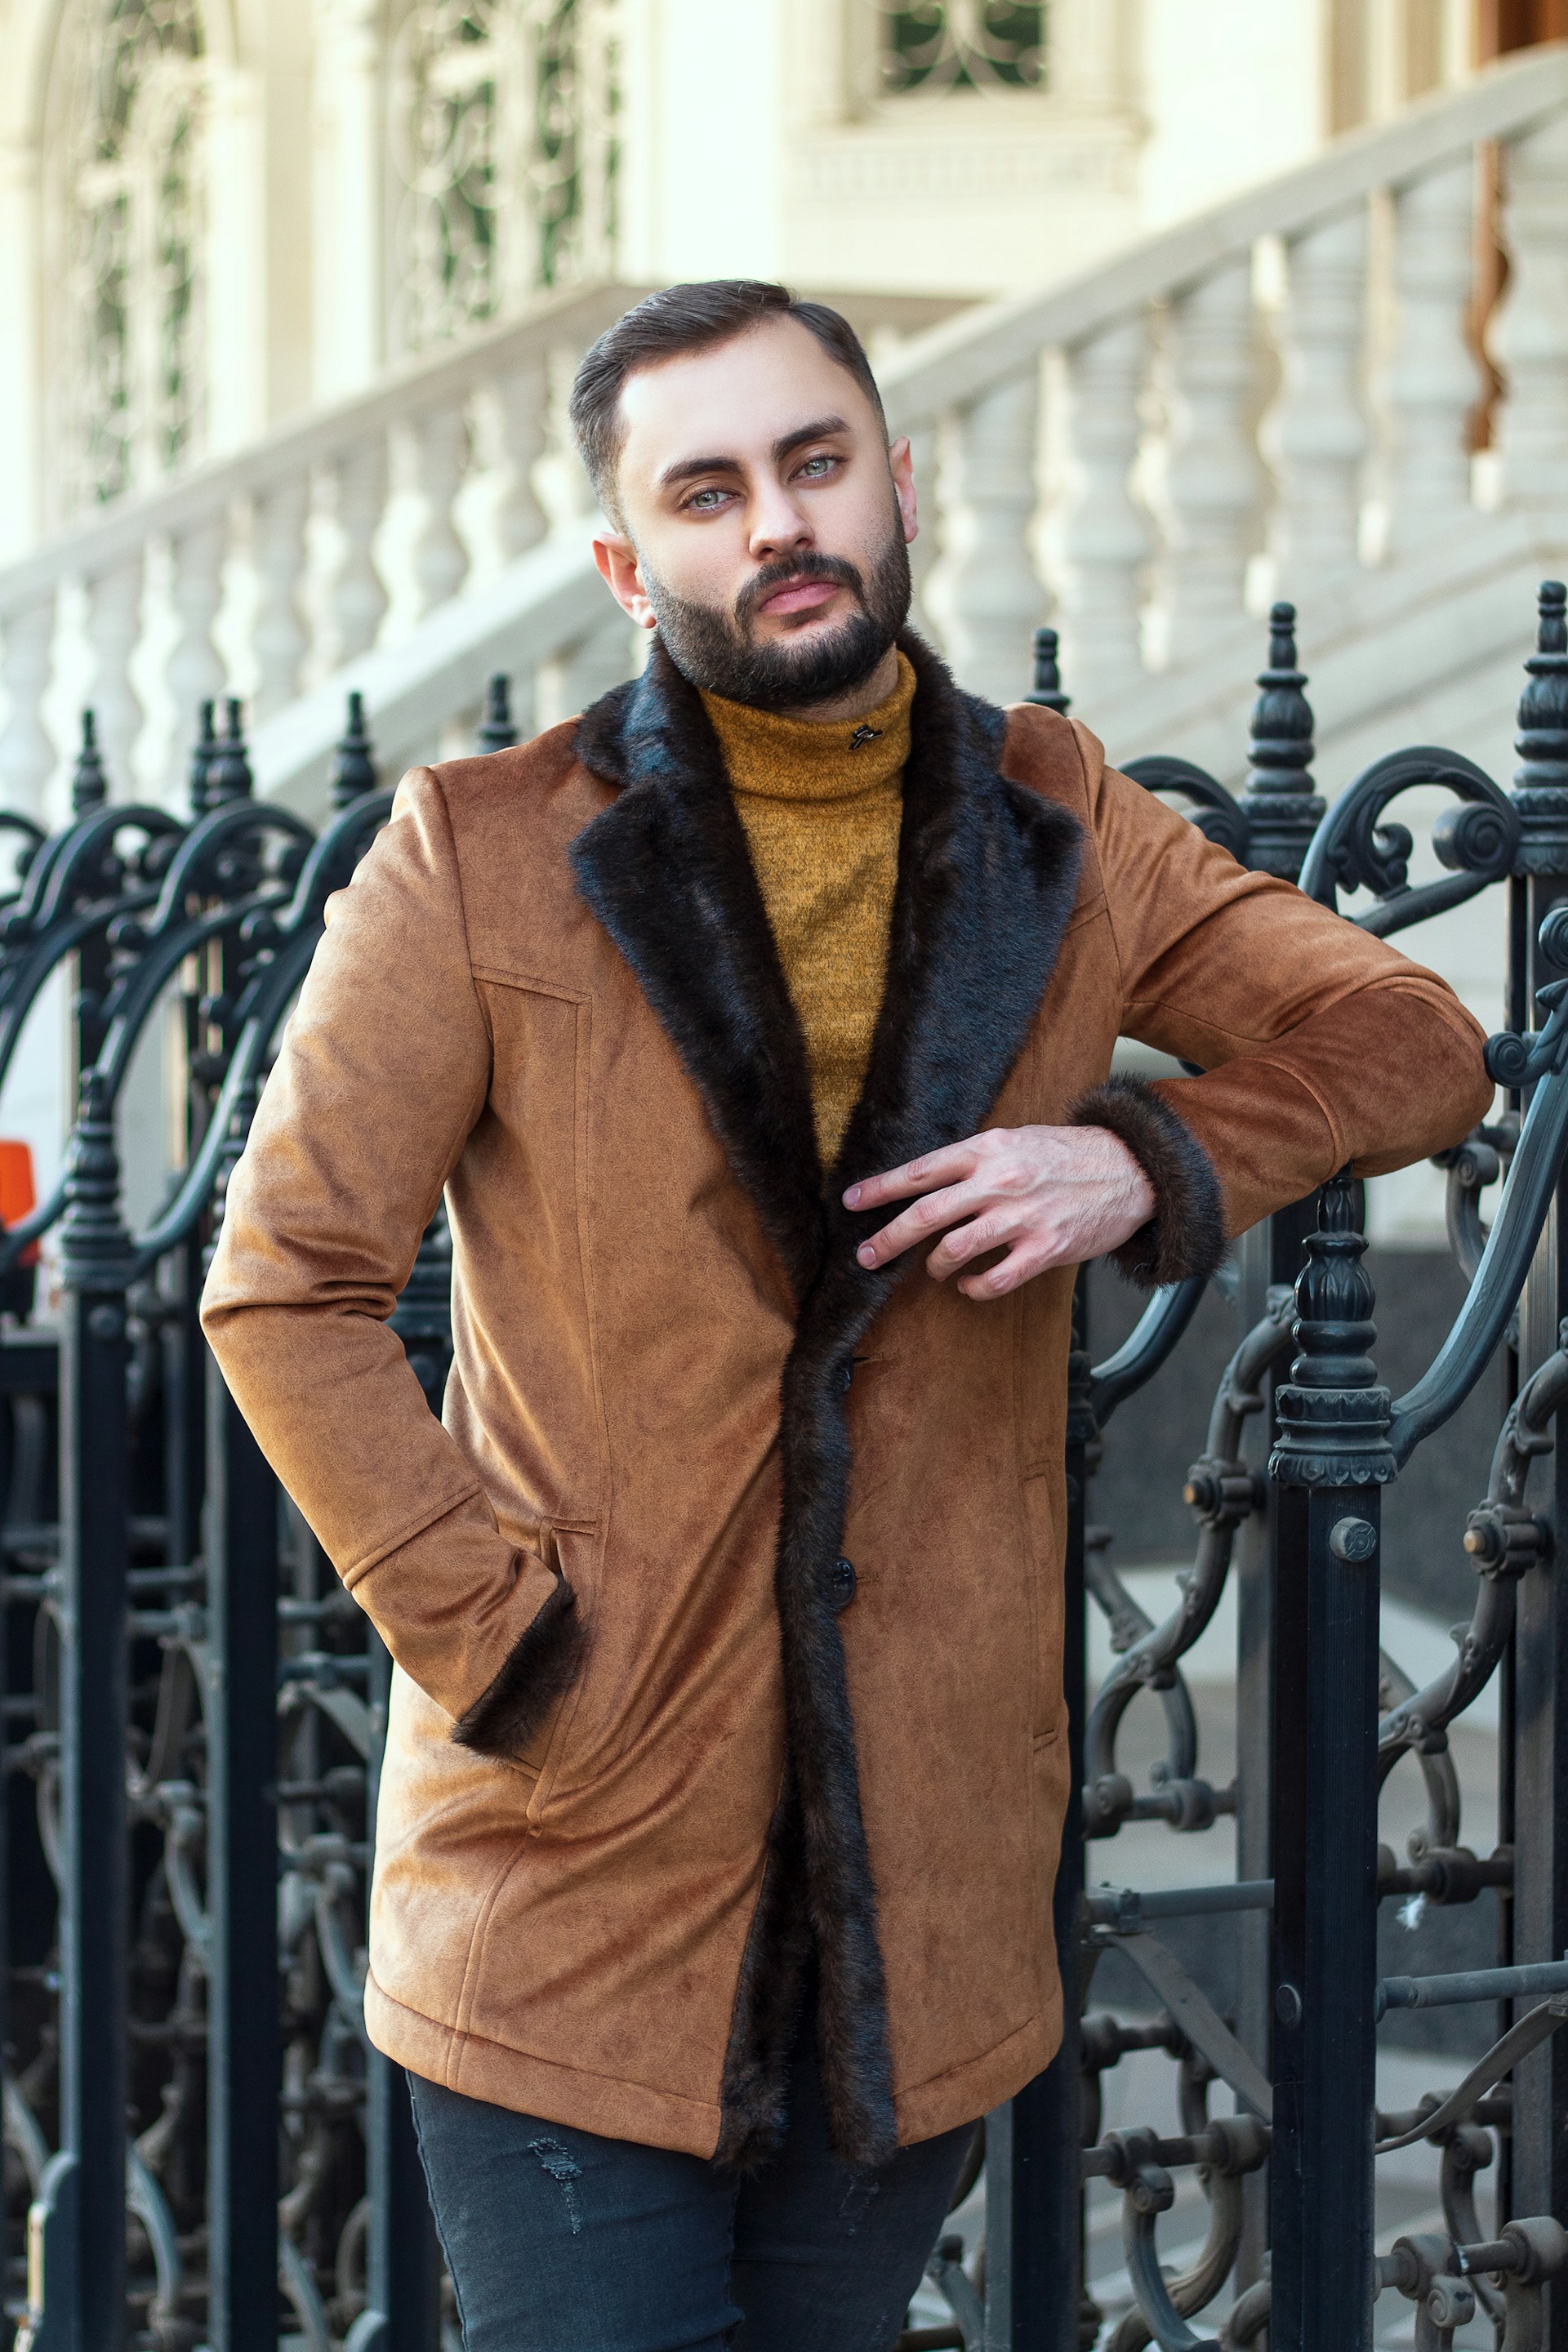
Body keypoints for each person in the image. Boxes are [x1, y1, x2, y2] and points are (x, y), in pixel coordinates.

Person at [201, 280, 1494, 2350]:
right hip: (568, 1878)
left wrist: (1148, 1160)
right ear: (630, 564)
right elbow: (283, 1284)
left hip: (927, 1889)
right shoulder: (479, 856)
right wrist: (511, 1648)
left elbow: (1413, 1034)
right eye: (705, 492)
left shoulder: (1069, 822)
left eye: (814, 464)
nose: (776, 523)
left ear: (901, 485)